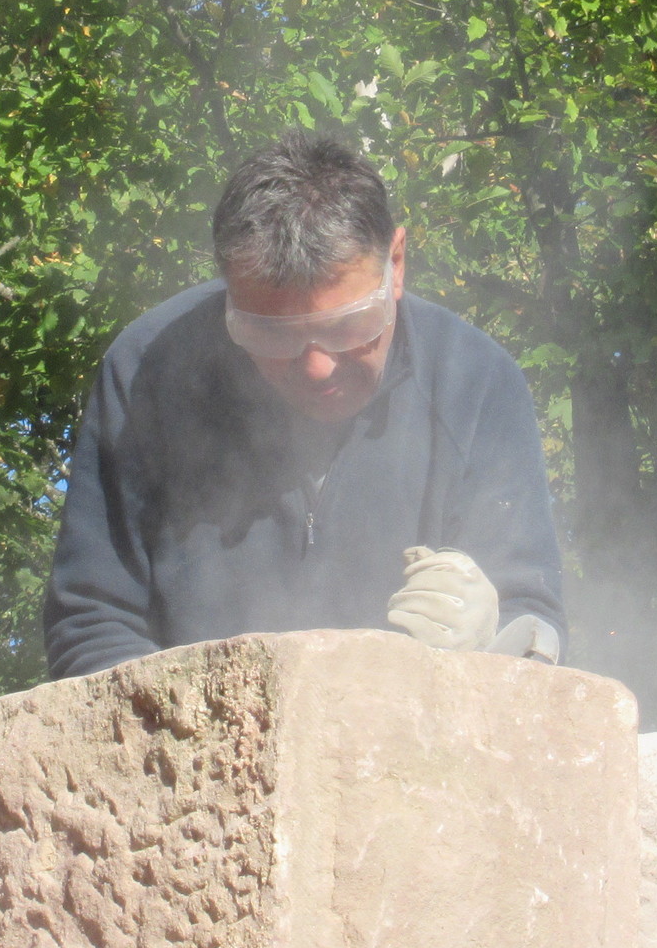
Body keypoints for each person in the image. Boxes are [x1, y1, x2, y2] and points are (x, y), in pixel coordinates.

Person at [43, 132, 565, 678]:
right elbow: (91, 622)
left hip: (415, 724)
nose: (317, 368)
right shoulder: (148, 371)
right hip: (192, 727)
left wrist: (499, 634)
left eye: (346, 326)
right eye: (272, 334)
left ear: (396, 263)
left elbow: (537, 620)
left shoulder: (475, 382)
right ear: (230, 294)